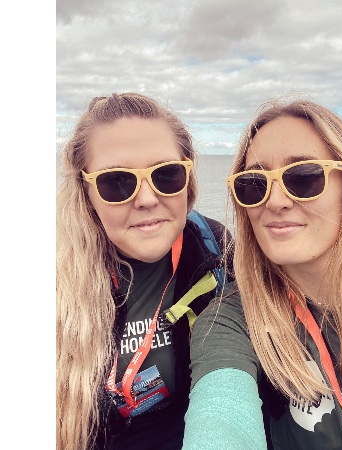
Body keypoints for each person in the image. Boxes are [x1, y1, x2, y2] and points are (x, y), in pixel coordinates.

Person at [182, 98, 342, 449]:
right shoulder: (232, 320)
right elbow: (221, 415)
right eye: (254, 184)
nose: (275, 201)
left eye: (304, 177)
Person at [56, 92, 234, 450]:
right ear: (86, 193)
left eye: (166, 175)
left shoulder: (216, 251)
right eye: (117, 182)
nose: (147, 198)